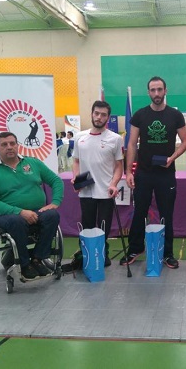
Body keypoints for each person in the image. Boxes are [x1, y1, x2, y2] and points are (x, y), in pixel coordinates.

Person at [120, 76, 186, 269]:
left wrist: (172, 158)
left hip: (166, 174)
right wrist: (129, 171)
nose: (157, 93)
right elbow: (132, 144)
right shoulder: (140, 115)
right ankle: (135, 248)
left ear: (165, 91)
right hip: (143, 173)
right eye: (153, 90)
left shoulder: (175, 116)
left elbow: (185, 142)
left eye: (160, 90)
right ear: (148, 92)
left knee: (166, 214)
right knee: (139, 212)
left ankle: (167, 253)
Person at [0, 131, 64, 280]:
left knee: (52, 215)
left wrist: (55, 202)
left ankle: (38, 259)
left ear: (18, 145)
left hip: (35, 210)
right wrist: (20, 212)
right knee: (16, 221)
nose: (9, 147)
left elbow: (56, 181)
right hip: (4, 215)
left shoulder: (33, 163)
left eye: (12, 143)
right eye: (4, 145)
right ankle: (24, 264)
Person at [72, 100, 124, 267]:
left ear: (108, 118)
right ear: (92, 114)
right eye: (96, 113)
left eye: (103, 115)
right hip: (86, 191)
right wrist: (76, 179)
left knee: (103, 227)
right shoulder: (80, 137)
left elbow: (118, 167)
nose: (99, 117)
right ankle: (87, 255)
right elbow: (76, 161)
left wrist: (114, 184)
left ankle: (102, 254)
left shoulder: (115, 139)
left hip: (105, 192)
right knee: (87, 225)